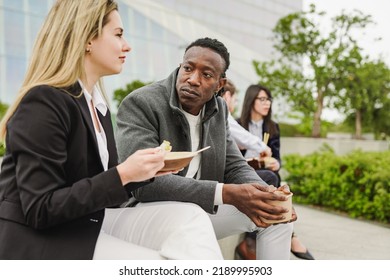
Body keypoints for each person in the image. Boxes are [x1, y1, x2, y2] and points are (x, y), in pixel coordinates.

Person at [0, 0, 222, 260]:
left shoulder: (99, 107)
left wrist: (143, 173)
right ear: (87, 39)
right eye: (118, 35)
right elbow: (40, 209)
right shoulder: (44, 102)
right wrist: (124, 173)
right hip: (41, 241)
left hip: (87, 222)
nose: (127, 45)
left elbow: (99, 188)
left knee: (190, 216)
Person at [116, 37, 295, 260]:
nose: (192, 79)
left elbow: (234, 164)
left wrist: (267, 195)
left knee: (276, 215)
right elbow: (141, 184)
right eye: (188, 68)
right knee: (193, 219)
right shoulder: (142, 103)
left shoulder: (218, 109)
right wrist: (225, 193)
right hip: (141, 213)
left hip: (196, 210)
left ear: (220, 84)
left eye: (206, 75)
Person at [237, 84, 314, 260]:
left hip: (265, 171)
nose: (267, 103)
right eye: (262, 99)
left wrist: (275, 164)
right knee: (273, 180)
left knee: (274, 175)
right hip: (242, 170)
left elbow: (277, 157)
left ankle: (250, 242)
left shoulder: (272, 127)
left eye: (269, 100)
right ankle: (291, 236)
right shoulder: (238, 124)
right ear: (251, 100)